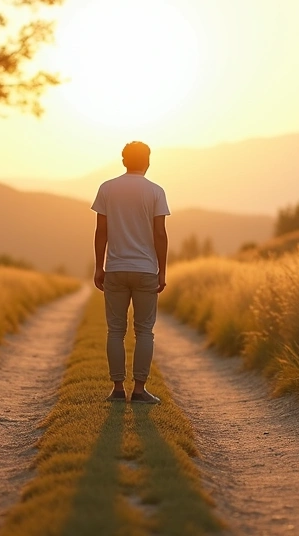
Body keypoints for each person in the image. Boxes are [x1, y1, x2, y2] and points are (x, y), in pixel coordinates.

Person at [91, 141, 170, 404]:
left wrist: (98, 266)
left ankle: (116, 389)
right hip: (146, 270)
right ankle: (138, 390)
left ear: (124, 161)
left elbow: (101, 231)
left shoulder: (107, 188)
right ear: (147, 161)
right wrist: (162, 271)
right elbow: (160, 234)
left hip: (115, 268)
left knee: (115, 331)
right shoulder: (156, 191)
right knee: (144, 331)